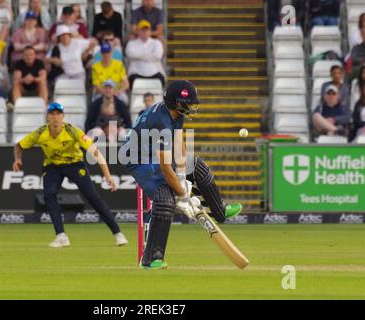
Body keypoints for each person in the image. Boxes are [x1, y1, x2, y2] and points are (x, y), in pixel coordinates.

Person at [121, 80, 242, 269]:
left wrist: (183, 178)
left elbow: (180, 146)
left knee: (198, 167)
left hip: (153, 154)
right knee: (165, 199)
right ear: (178, 103)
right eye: (191, 103)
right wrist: (183, 196)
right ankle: (151, 259)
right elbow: (165, 168)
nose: (194, 106)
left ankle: (220, 211)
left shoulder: (176, 114)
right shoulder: (160, 122)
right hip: (139, 161)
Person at [12, 102, 128, 248]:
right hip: (52, 166)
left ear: (63, 116)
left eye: (58, 114)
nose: (55, 117)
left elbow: (95, 152)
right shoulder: (40, 133)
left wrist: (107, 175)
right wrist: (17, 159)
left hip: (74, 164)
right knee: (49, 194)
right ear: (47, 116)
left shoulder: (73, 131)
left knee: (92, 197)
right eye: (52, 114)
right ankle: (61, 236)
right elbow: (19, 146)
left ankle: (118, 233)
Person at [126, 19, 165, 88]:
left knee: (161, 79)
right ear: (138, 31)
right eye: (142, 30)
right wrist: (150, 55)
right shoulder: (131, 43)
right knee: (131, 80)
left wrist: (139, 56)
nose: (145, 32)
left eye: (146, 30)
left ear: (150, 31)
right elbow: (130, 54)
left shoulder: (157, 43)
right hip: (136, 72)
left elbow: (158, 56)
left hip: (155, 72)